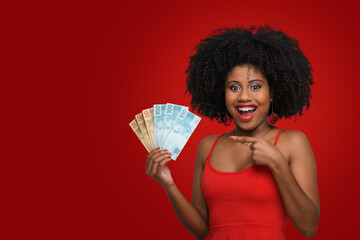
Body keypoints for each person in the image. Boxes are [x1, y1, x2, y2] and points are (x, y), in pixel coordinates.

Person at [146, 25, 320, 239]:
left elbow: (309, 226)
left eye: (255, 87)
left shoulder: (293, 142)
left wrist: (278, 165)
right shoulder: (207, 146)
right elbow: (202, 230)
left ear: (272, 92)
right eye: (234, 87)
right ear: (222, 93)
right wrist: (169, 185)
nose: (244, 97)